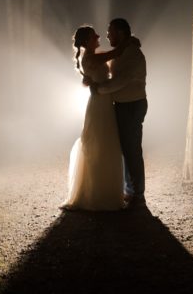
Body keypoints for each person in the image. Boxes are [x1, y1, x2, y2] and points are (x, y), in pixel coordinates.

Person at [61, 25, 135, 211]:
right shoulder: (92, 57)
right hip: (99, 104)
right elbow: (116, 52)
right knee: (101, 143)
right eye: (95, 35)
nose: (99, 35)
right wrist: (131, 40)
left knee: (105, 142)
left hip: (102, 101)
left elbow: (111, 58)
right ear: (87, 41)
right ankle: (98, 194)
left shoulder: (93, 56)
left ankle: (105, 190)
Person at [92, 18, 147, 209]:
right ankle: (130, 191)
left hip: (132, 105)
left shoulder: (132, 53)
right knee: (126, 149)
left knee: (132, 149)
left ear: (121, 33)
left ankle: (138, 195)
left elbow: (122, 80)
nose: (107, 35)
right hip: (123, 104)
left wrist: (98, 89)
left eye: (111, 31)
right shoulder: (123, 50)